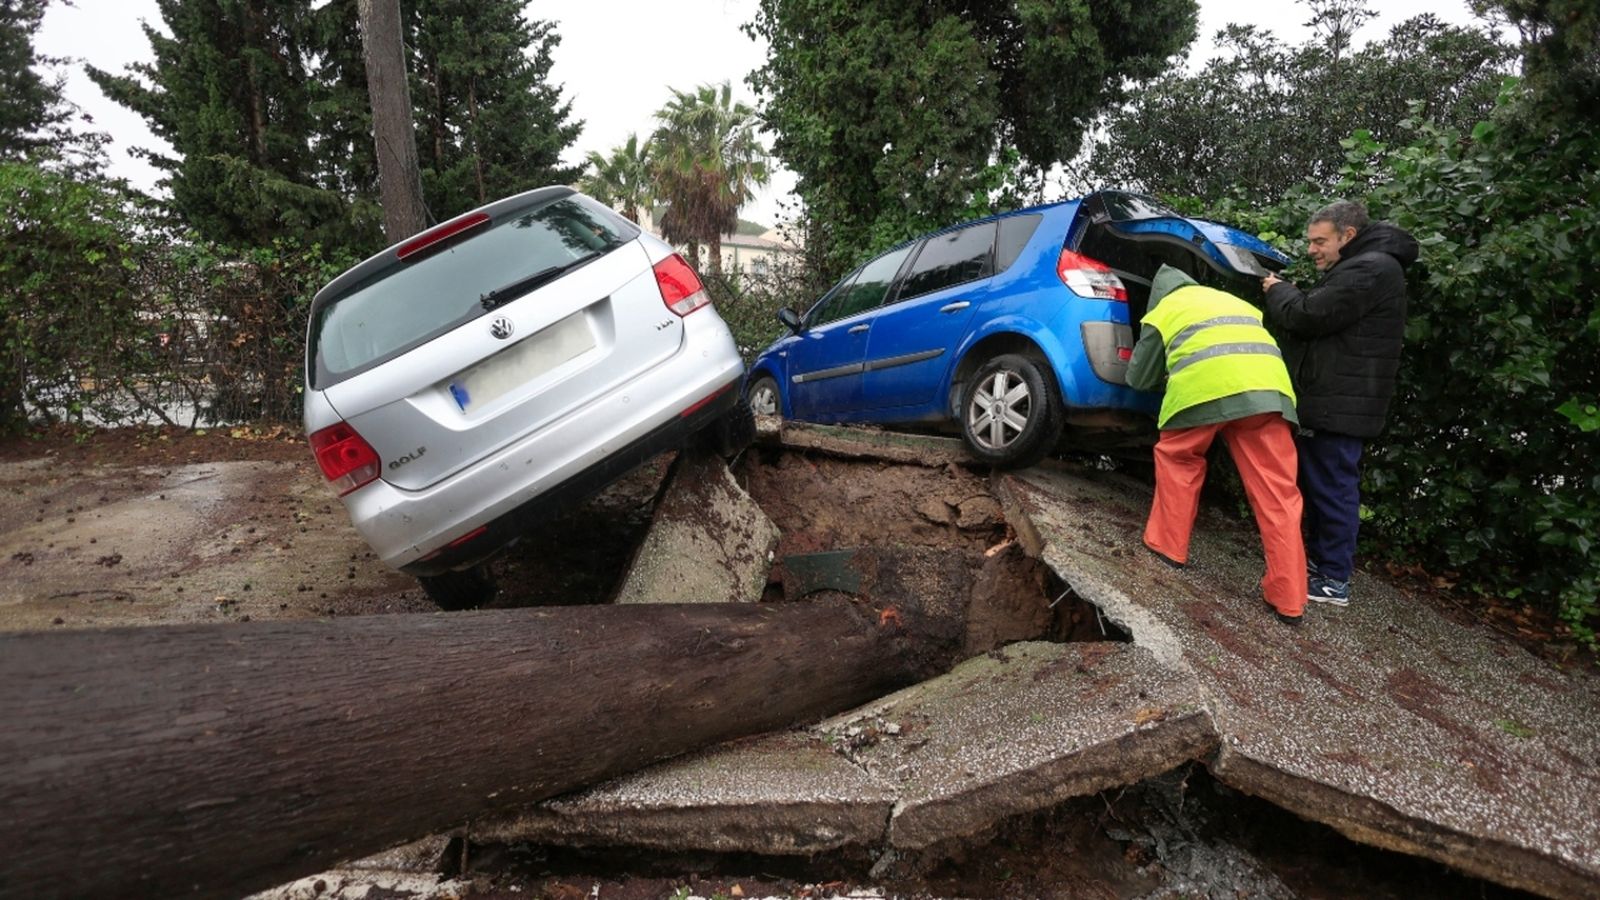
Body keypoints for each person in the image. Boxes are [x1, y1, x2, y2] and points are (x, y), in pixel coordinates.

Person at [1128, 265, 1307, 626]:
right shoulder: (1237, 303)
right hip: (1269, 395)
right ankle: (1289, 599)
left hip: (1203, 392)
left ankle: (1168, 548)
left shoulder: (1164, 310)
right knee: (1279, 494)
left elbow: (1138, 378)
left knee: (1179, 460)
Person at [1262, 200, 1418, 607]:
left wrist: (1279, 291)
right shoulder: (1368, 266)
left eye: (1320, 241)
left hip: (1342, 405)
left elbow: (1309, 316)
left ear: (1347, 236)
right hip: (1338, 401)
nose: (1312, 250)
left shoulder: (1370, 268)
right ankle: (1323, 568)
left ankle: (1332, 580)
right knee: (1325, 488)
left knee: (1333, 490)